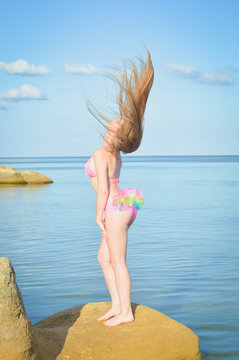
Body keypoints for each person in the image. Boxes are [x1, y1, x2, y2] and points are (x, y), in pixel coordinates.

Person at [84, 45, 154, 326]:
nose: (114, 119)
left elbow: (102, 188)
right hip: (122, 204)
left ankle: (126, 313)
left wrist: (97, 214)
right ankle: (116, 305)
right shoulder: (112, 154)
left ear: (116, 133)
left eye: (118, 121)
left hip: (113, 208)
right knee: (104, 258)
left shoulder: (103, 154)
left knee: (118, 261)